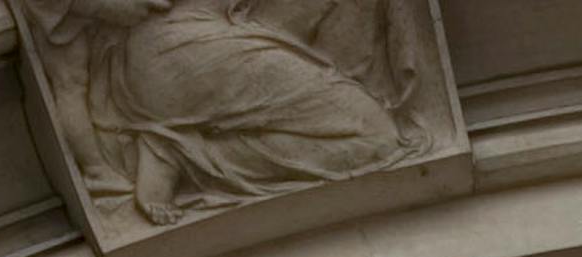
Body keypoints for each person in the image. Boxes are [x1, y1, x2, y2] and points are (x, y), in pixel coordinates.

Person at [35, 0, 413, 228]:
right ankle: (174, 153)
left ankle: (171, 151)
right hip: (186, 51)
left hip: (205, 43)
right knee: (376, 137)